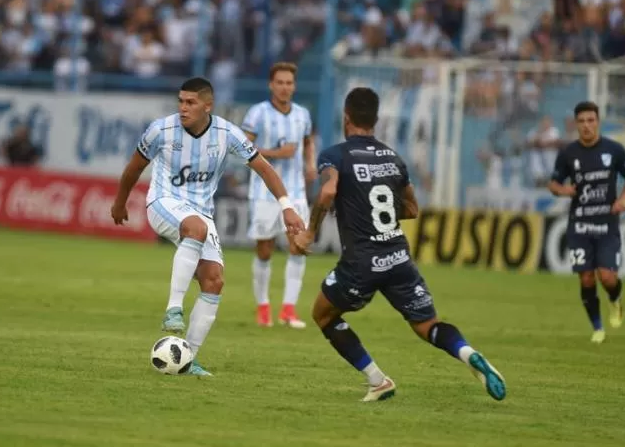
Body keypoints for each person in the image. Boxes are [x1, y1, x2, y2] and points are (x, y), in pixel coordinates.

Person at [291, 87, 506, 402]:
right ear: (375, 120)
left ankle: (377, 380)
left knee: (323, 315)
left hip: (361, 261)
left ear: (346, 117)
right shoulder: (393, 158)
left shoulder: (335, 155)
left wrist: (309, 233)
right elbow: (412, 209)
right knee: (427, 325)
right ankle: (467, 352)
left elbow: (327, 193)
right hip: (398, 256)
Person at [112, 77, 305, 377]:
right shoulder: (160, 130)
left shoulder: (227, 134)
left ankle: (188, 358)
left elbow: (265, 168)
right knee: (196, 229)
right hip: (163, 202)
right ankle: (173, 310)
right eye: (180, 101)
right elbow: (133, 168)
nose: (183, 108)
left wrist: (287, 208)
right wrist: (120, 203)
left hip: (201, 213)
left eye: (190, 102)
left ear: (207, 105)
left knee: (214, 281)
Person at [548, 101, 625, 344]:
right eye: (582, 121)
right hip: (579, 225)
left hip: (607, 224)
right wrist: (564, 190)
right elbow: (553, 183)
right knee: (586, 278)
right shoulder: (568, 154)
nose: (586, 126)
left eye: (591, 120)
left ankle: (615, 300)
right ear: (576, 124)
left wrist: (623, 199)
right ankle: (597, 327)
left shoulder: (614, 150)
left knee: (607, 277)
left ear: (598, 122)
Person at [241, 62, 316, 328]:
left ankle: (288, 309)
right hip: (263, 191)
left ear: (294, 86)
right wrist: (274, 152)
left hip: (295, 190)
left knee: (299, 246)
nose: (285, 87)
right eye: (280, 82)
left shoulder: (302, 115)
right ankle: (263, 307)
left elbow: (307, 142)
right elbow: (243, 149)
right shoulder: (257, 113)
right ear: (271, 85)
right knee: (264, 249)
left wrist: (310, 164)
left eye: (289, 83)